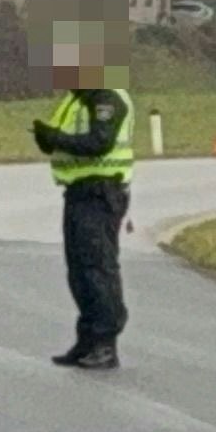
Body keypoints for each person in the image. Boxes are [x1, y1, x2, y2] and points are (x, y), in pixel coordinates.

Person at [30, 20, 136, 370]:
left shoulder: (106, 96)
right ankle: (87, 340)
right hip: (80, 193)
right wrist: (48, 137)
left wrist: (55, 138)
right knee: (79, 270)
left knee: (97, 268)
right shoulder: (79, 98)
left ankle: (105, 343)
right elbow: (66, 140)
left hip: (100, 193)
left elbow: (98, 142)